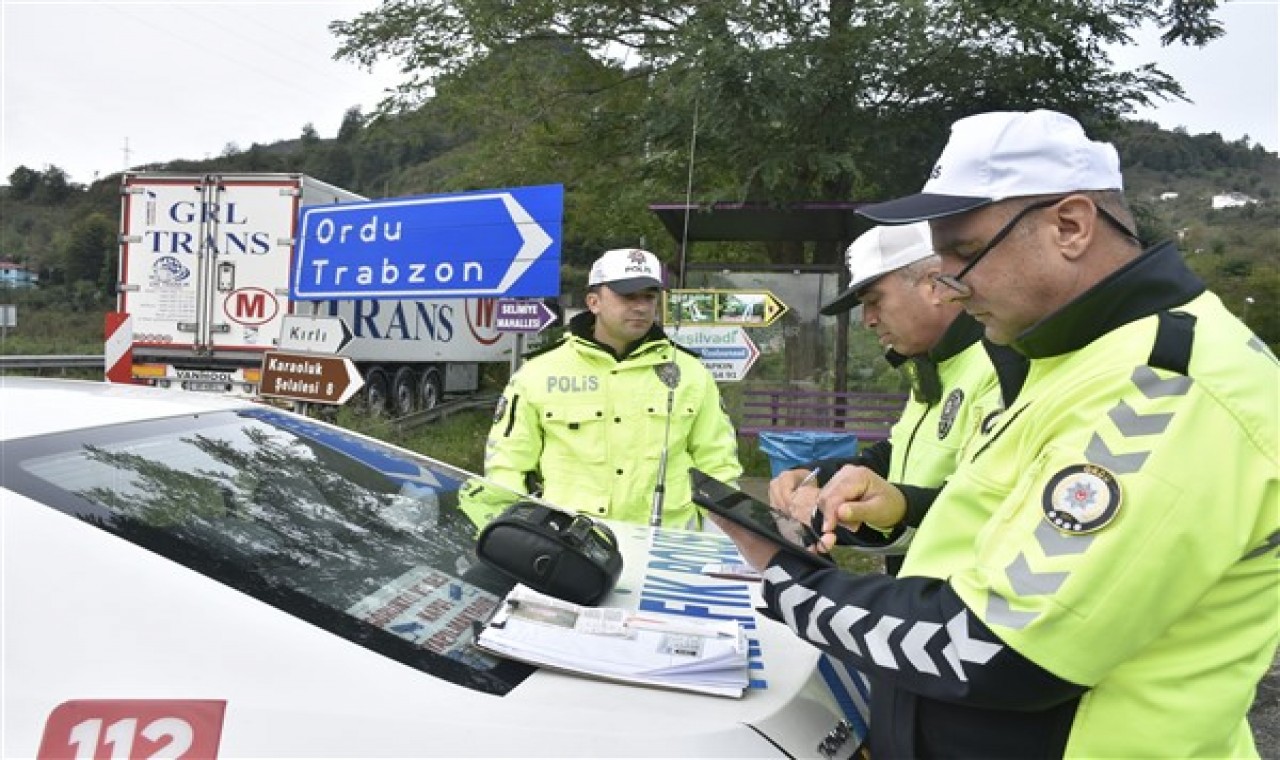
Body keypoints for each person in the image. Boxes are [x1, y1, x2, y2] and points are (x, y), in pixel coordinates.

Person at [711, 109, 1278, 758]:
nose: (949, 284)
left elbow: (995, 647)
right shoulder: (1074, 359)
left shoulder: (1167, 386)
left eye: (965, 252)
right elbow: (982, 540)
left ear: (1070, 226)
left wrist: (788, 579)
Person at [768, 222, 1026, 573]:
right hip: (915, 589)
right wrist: (815, 476)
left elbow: (989, 505)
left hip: (962, 598)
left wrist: (899, 505)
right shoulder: (930, 365)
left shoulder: (1004, 365)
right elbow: (894, 455)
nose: (868, 320)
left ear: (934, 284)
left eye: (875, 301)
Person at [461, 247, 742, 529]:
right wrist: (512, 536)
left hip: (668, 545)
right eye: (627, 296)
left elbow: (718, 465)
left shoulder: (690, 372)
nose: (641, 306)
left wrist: (720, 541)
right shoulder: (538, 372)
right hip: (571, 544)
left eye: (649, 296)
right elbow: (507, 465)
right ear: (594, 302)